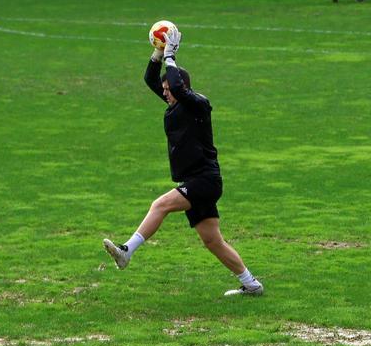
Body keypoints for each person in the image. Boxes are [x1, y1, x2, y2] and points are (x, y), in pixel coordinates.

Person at [102, 28, 263, 298]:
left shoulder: (198, 104)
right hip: (194, 180)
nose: (165, 93)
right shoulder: (175, 104)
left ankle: (126, 251)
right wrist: (157, 53)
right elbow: (150, 79)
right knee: (213, 241)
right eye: (165, 90)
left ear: (183, 87)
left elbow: (176, 86)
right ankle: (251, 284)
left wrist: (171, 56)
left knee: (160, 205)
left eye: (169, 89)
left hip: (205, 180)